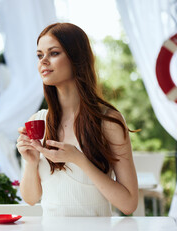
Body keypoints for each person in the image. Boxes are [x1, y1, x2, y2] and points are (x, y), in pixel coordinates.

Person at [16, 22, 139, 217]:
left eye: (53, 53)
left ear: (76, 58)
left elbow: (129, 204)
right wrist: (31, 162)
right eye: (40, 55)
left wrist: (79, 159)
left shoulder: (108, 121)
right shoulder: (38, 121)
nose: (43, 61)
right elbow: (31, 199)